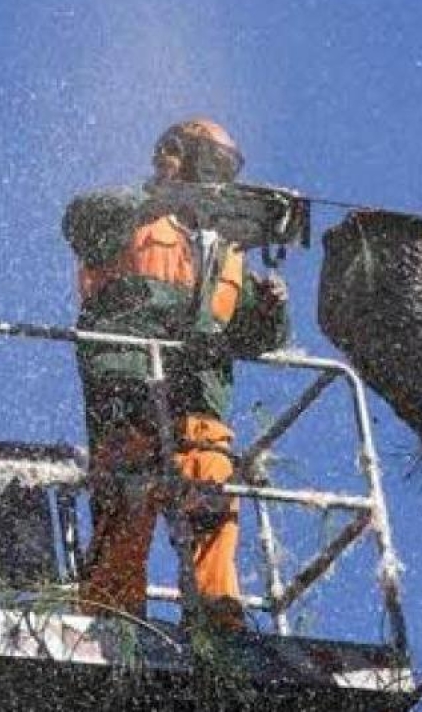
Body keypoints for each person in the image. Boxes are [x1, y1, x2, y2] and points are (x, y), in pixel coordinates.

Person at [62, 118, 289, 628]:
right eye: (209, 165)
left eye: (224, 171)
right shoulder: (128, 217)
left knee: (209, 484)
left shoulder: (225, 250)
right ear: (173, 156)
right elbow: (80, 222)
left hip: (199, 391)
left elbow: (254, 336)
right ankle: (112, 620)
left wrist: (272, 308)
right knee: (128, 490)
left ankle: (217, 617)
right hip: (126, 377)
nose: (217, 181)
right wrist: (159, 197)